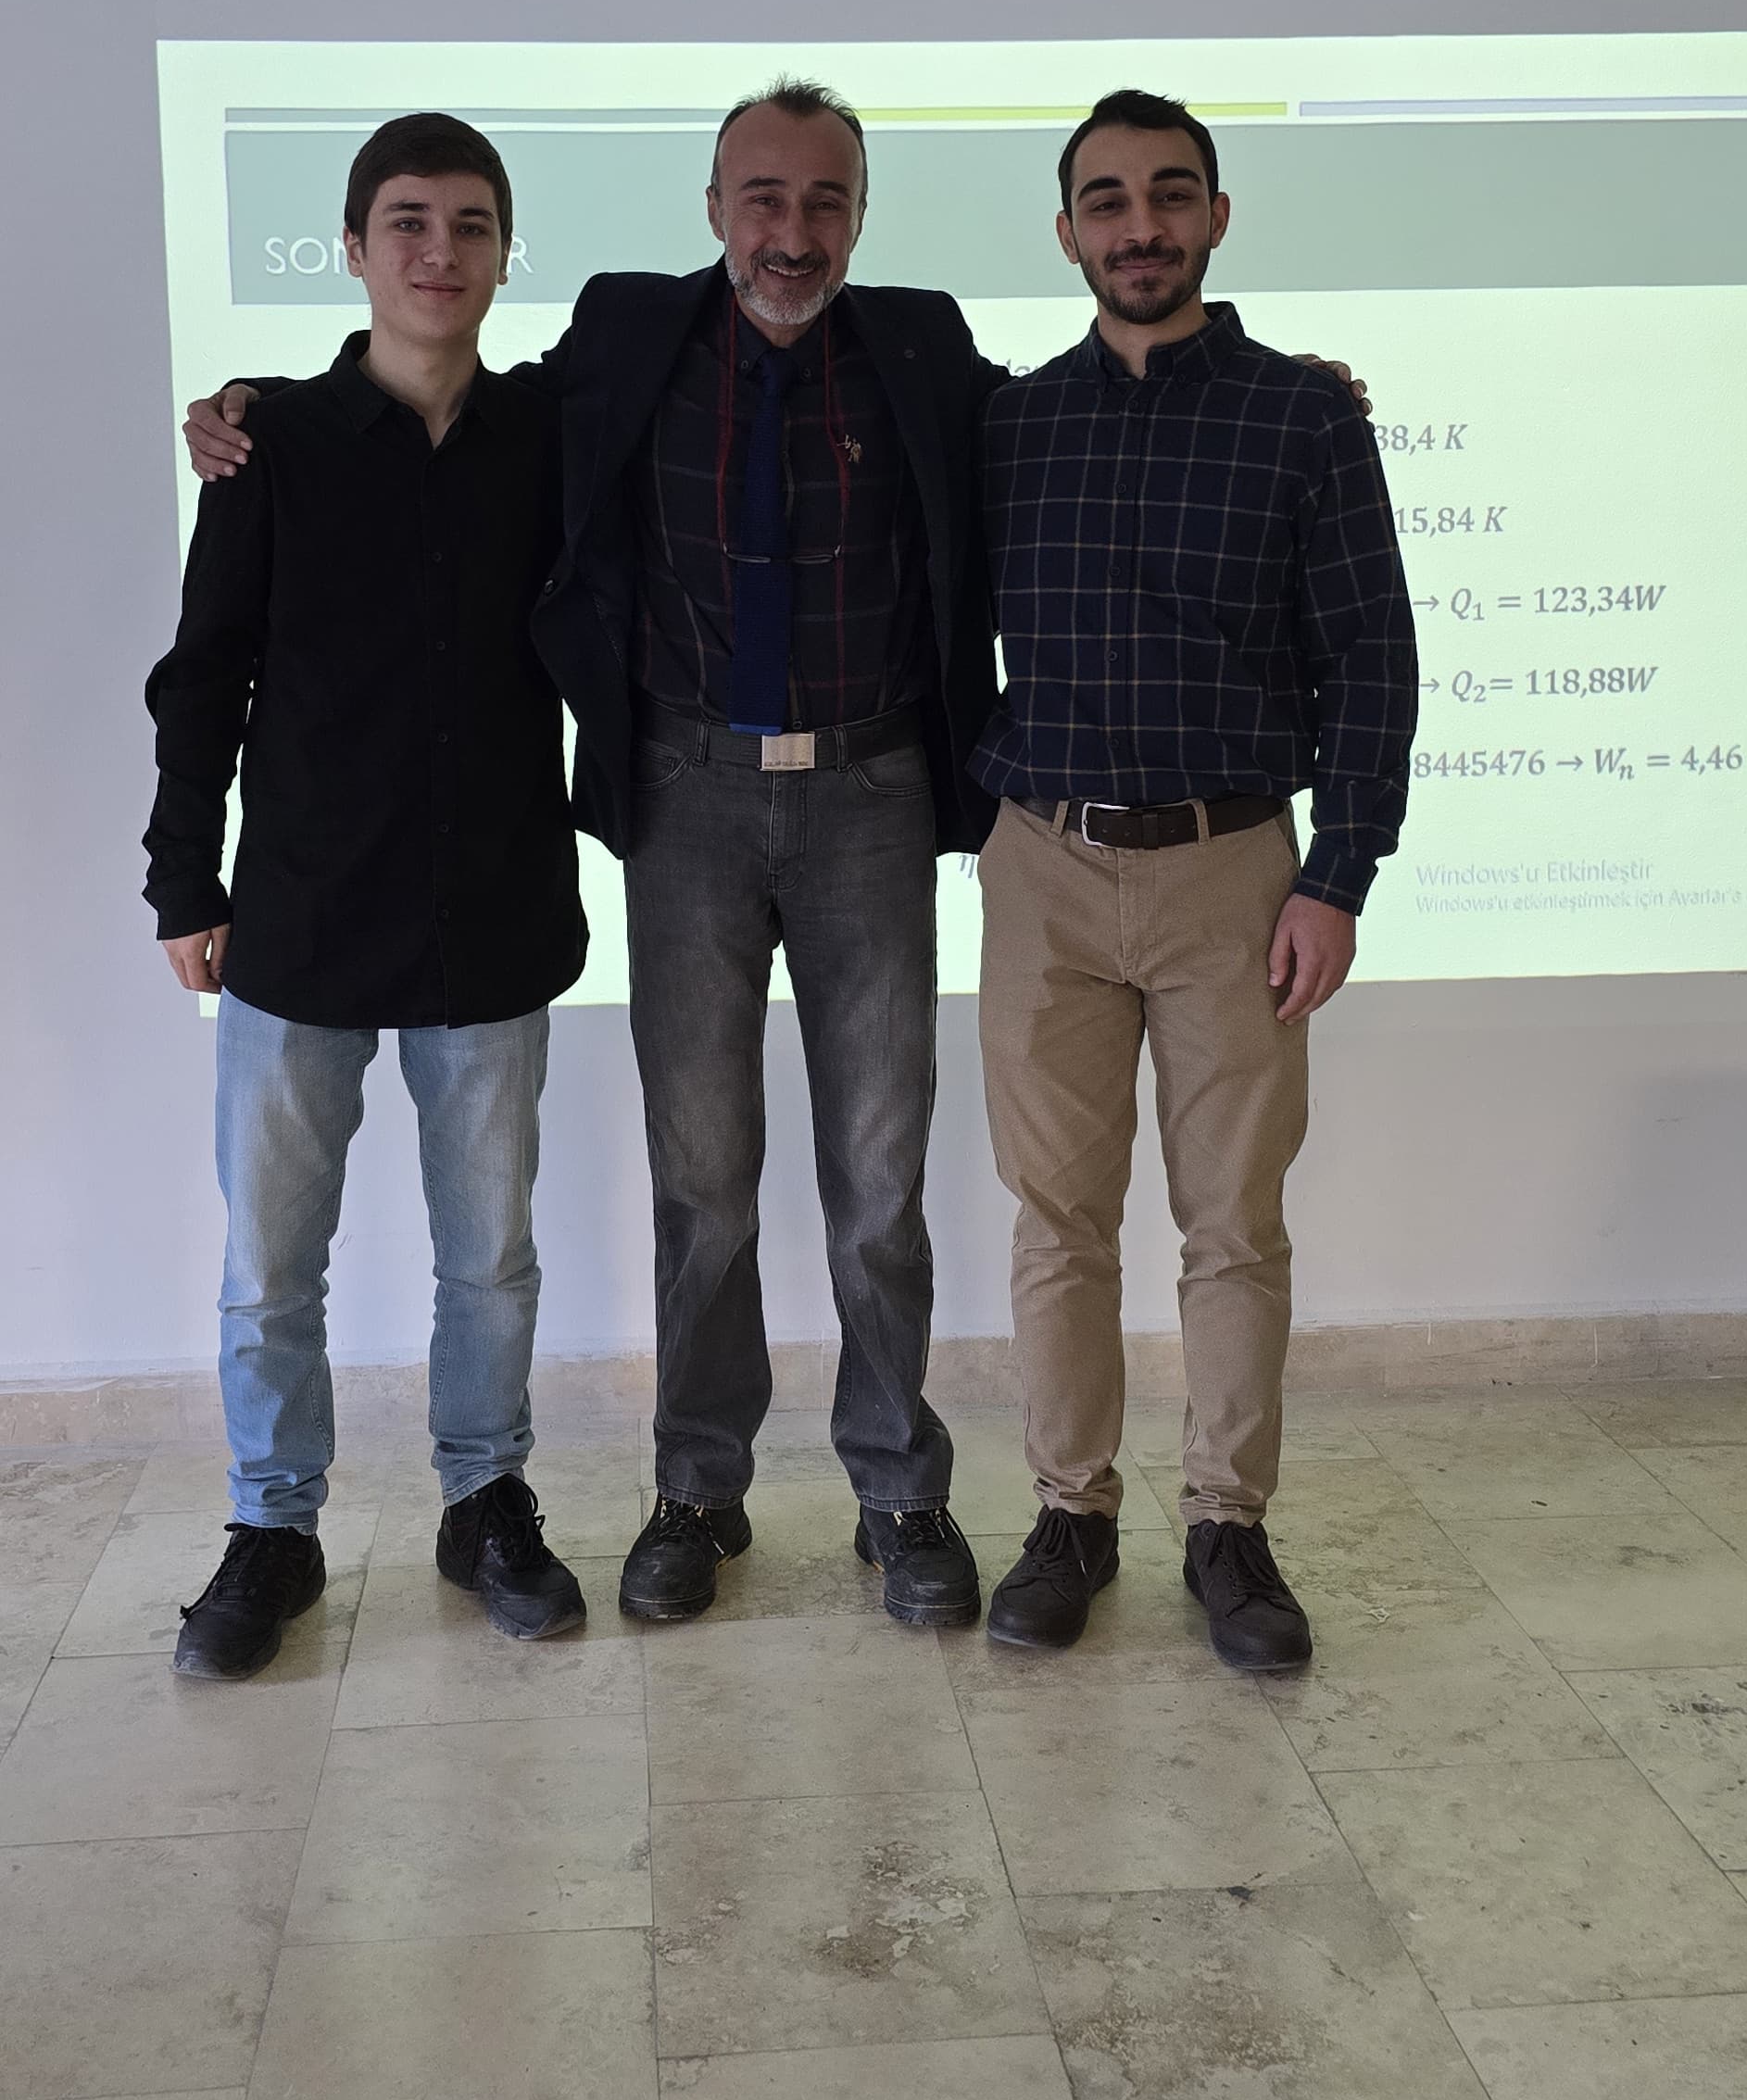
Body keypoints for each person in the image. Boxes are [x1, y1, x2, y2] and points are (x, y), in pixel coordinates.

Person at [192, 86, 998, 1634]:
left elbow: (1050, 423)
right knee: (701, 1180)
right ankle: (697, 1491)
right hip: (685, 800)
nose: (792, 232)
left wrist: (1260, 377)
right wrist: (249, 403)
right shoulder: (629, 336)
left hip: (872, 797)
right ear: (713, 210)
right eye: (762, 198)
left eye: (825, 201)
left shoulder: (919, 343)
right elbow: (416, 383)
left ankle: (899, 1491)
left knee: (879, 1181)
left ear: (860, 216)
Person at [968, 90, 1416, 1671]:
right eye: (1107, 200)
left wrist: (1339, 874)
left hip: (1237, 871)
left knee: (1232, 1224)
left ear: (1217, 217)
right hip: (1044, 868)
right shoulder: (1010, 425)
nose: (1139, 225)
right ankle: (1070, 1516)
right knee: (1057, 1222)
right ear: (1068, 231)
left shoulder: (1305, 418)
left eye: (1170, 195)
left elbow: (1371, 657)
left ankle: (1229, 1525)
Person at [145, 113, 588, 1679]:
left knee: (492, 1260)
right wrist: (182, 878)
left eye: (470, 224)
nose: (437, 252)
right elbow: (204, 675)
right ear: (351, 248)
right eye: (407, 221)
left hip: (497, 912)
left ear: (504, 253)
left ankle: (485, 1501)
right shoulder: (272, 444)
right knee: (272, 1269)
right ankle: (273, 1526)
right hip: (300, 921)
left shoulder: (551, 436)